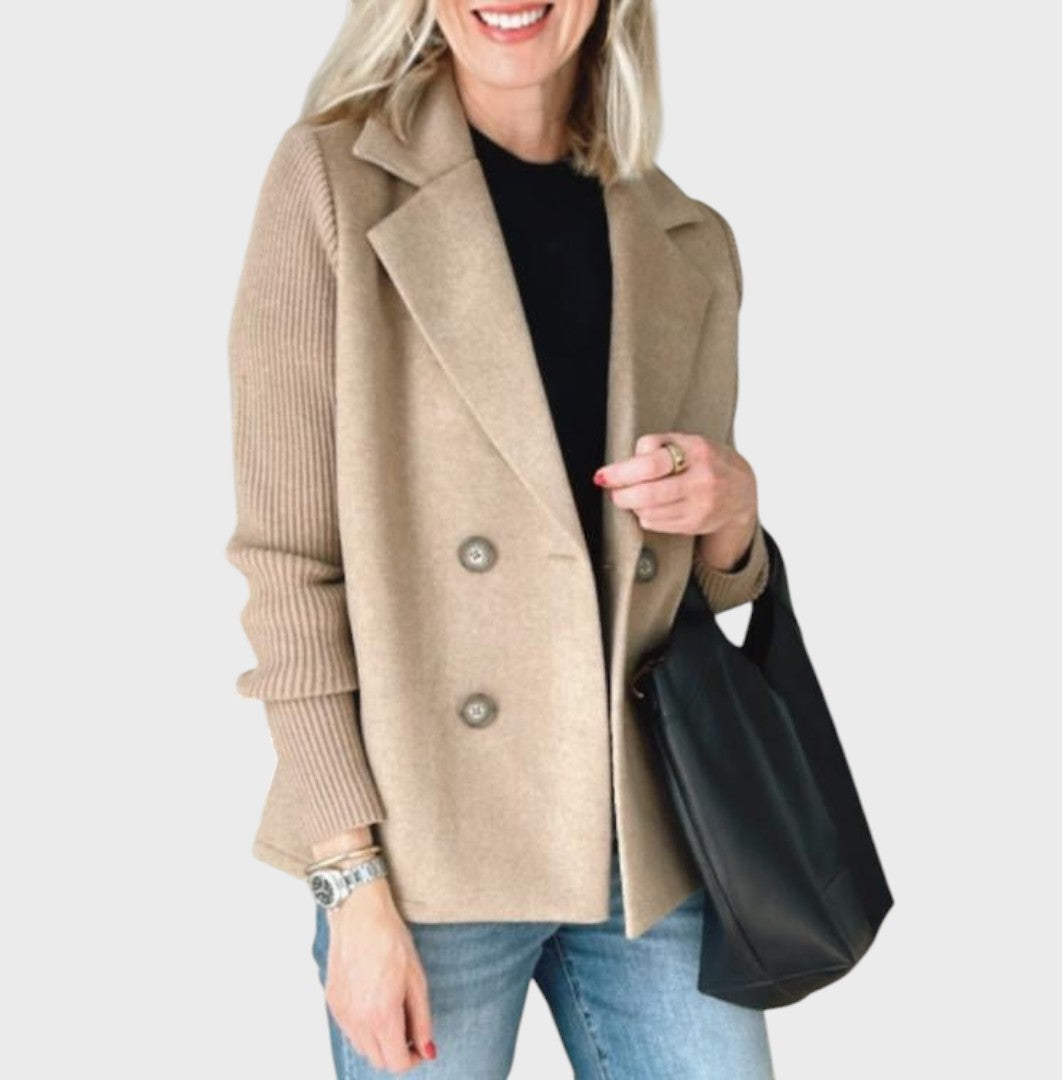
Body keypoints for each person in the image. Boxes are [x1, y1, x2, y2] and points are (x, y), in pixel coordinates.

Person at [225, 1, 774, 1075]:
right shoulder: (332, 184)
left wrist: (732, 515)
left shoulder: (688, 239)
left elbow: (689, 594)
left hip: (644, 845)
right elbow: (289, 568)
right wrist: (350, 883)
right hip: (424, 854)